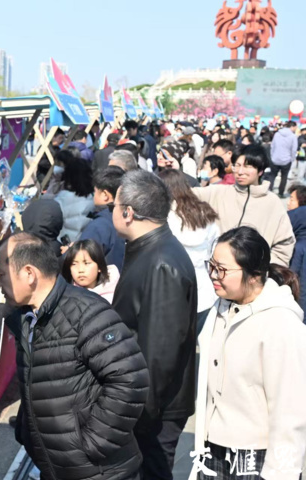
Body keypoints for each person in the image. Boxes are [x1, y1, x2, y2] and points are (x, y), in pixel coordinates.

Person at [0, 232, 149, 480]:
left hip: (100, 472)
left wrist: (94, 443)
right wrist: (27, 430)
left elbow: (131, 379)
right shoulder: (26, 318)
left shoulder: (87, 312)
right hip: (56, 467)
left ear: (29, 273)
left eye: (2, 274)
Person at [191, 227, 306, 479]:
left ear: (254, 275)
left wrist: (281, 473)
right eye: (211, 266)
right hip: (213, 448)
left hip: (256, 456)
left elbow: (291, 410)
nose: (213, 275)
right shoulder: (221, 307)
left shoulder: (281, 324)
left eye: (222, 269)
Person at [111, 170, 198, 480]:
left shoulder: (161, 261)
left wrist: (139, 415)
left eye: (114, 205)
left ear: (128, 212)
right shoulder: (149, 249)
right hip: (144, 402)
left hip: (154, 409)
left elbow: (159, 354)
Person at [194, 144, 295, 266]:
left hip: (255, 274)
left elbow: (284, 244)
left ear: (260, 170)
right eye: (237, 165)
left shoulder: (273, 203)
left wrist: (267, 269)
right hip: (216, 270)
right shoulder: (218, 192)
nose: (240, 172)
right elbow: (185, 195)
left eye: (247, 166)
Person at [159, 170, 220, 334]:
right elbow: (215, 247)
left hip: (171, 288)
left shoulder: (163, 217)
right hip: (204, 288)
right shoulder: (205, 213)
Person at [80, 166, 126, 271]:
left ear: (105, 195)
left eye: (95, 192)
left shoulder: (99, 225)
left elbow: (83, 261)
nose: (93, 196)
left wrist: (71, 253)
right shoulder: (129, 217)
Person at [50, 154, 93, 244]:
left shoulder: (63, 197)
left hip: (65, 241)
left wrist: (55, 182)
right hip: (86, 242)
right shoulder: (93, 197)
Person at [287, 184, 306, 312]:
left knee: (298, 288)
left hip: (299, 253)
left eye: (292, 199)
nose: (288, 202)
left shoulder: (296, 214)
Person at [268, 121, 299, 197]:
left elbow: (272, 146)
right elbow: (294, 149)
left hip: (275, 158)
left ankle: (269, 190)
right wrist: (292, 159)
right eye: (295, 127)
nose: (296, 129)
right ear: (292, 127)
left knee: (272, 176)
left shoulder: (277, 134)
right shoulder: (293, 136)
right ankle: (281, 193)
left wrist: (272, 156)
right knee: (284, 177)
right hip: (286, 160)